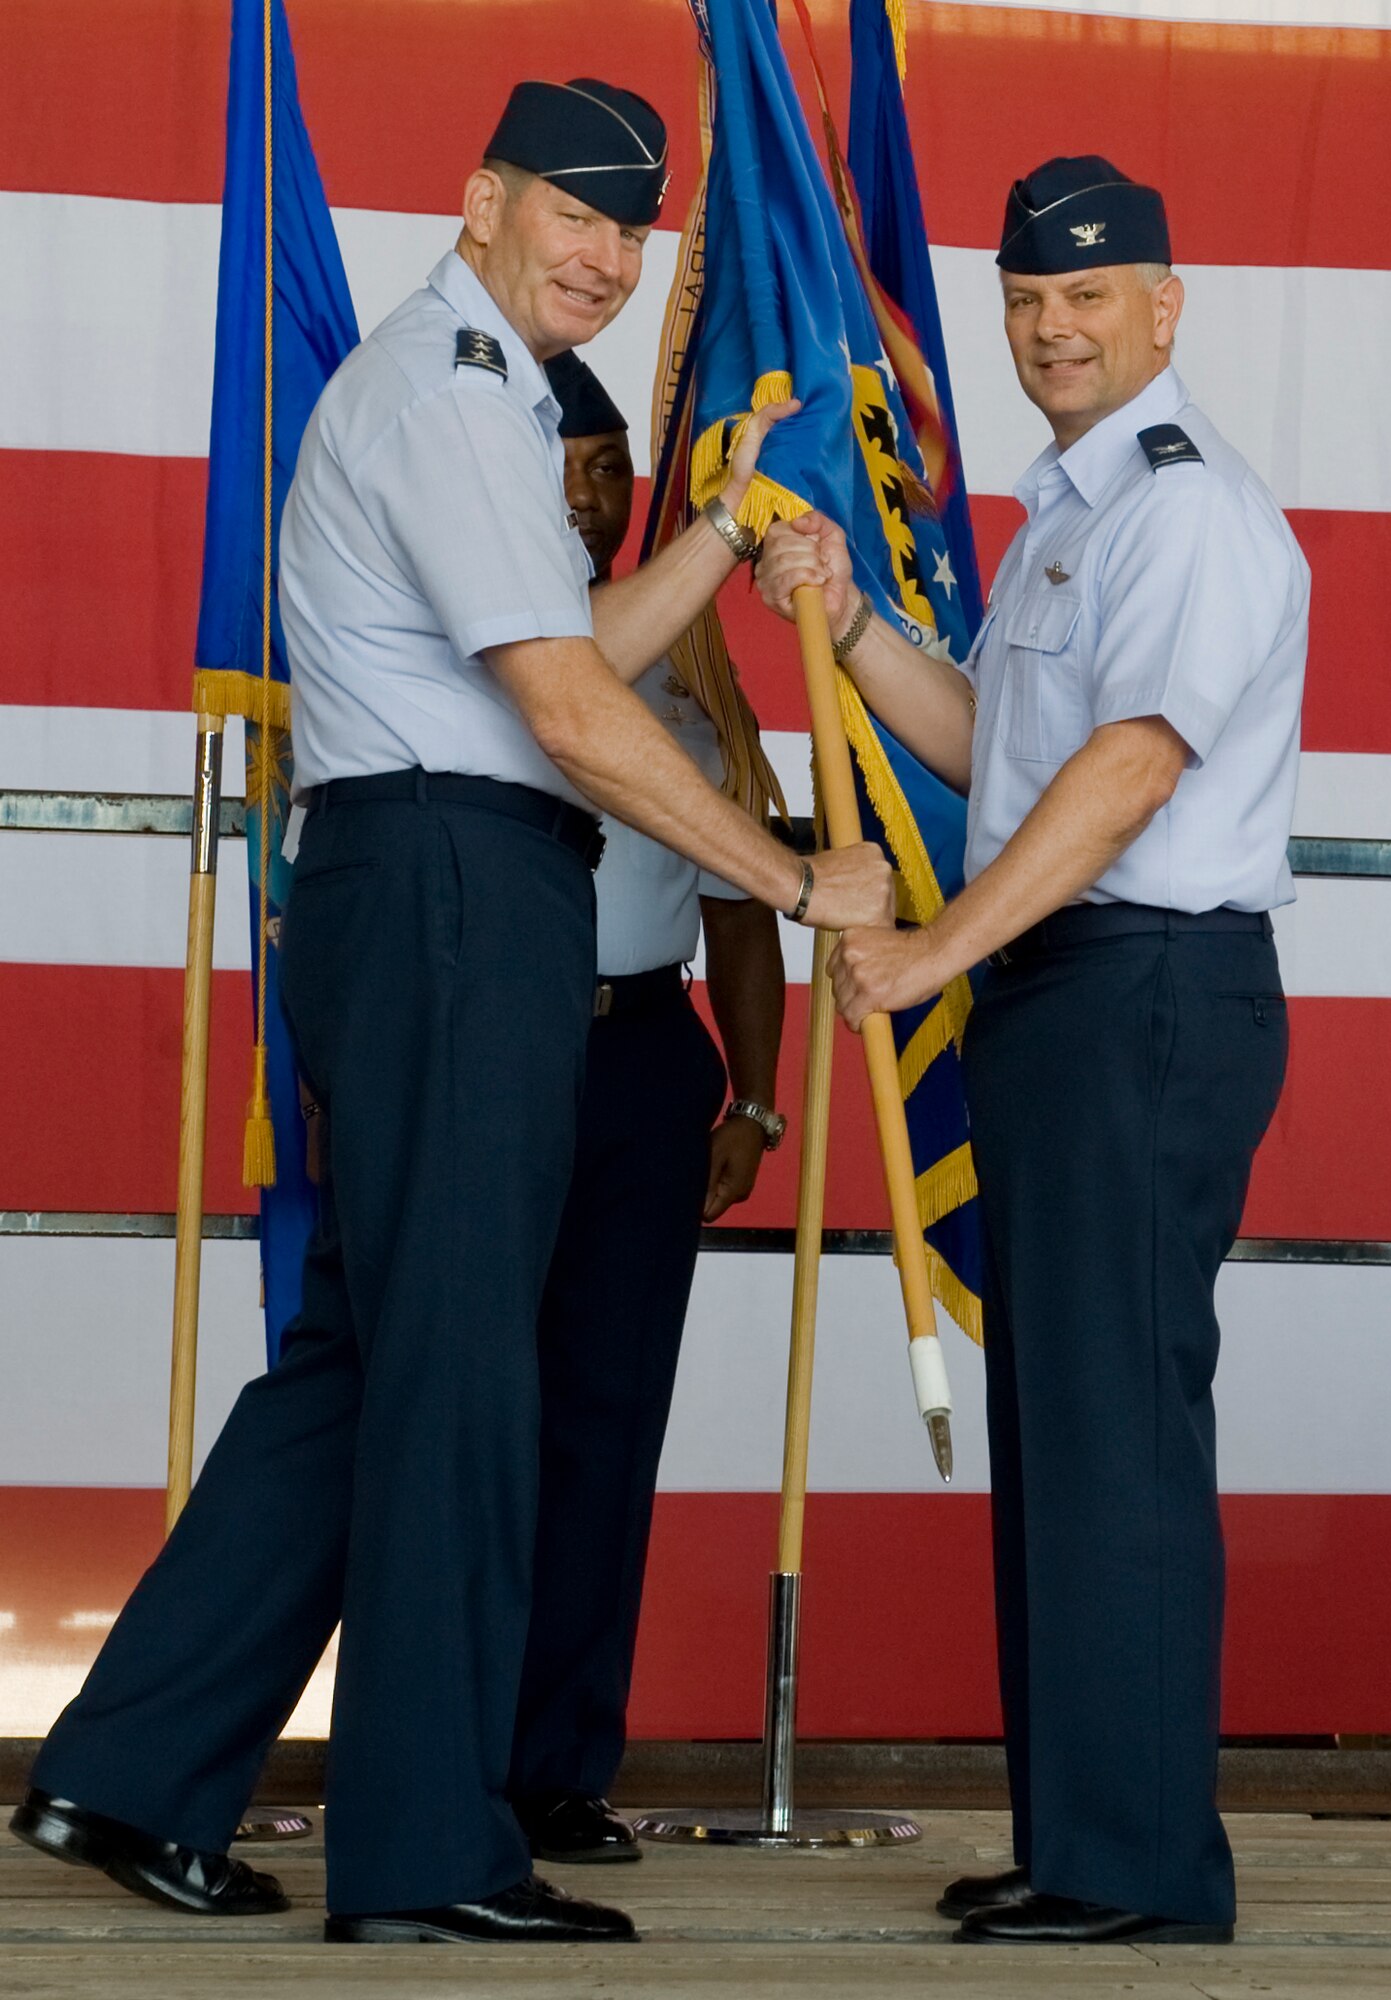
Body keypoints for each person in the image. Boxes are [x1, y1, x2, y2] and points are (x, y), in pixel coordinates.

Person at [12, 79, 891, 1948]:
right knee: (460, 1376)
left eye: (629, 230)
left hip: (434, 886)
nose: (603, 250)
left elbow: (586, 646)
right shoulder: (452, 392)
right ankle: (427, 1852)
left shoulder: (473, 389)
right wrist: (800, 877)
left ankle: (124, 1767)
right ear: (478, 199)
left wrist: (731, 522)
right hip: (448, 885)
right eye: (570, 210)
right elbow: (570, 715)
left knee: (365, 1358)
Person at [757, 154, 1306, 1947]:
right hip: (1067, 992)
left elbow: (1131, 774)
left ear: (1165, 304)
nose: (1053, 328)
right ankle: (1086, 1837)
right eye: (1026, 302)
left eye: (1090, 298)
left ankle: (1144, 1866)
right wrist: (850, 621)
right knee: (1066, 1429)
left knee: (1120, 1433)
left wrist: (929, 953)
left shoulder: (1184, 509)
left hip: (1141, 992)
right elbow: (1006, 741)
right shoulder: (1071, 514)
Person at [510, 350, 786, 1864]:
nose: (593, 495)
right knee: (465, 1411)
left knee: (606, 1423)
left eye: (611, 468)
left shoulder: (693, 659)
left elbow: (746, 899)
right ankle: (434, 1740)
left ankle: (558, 1767)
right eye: (567, 465)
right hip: (494, 1053)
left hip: (640, 1063)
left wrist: (758, 1101)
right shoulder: (465, 619)